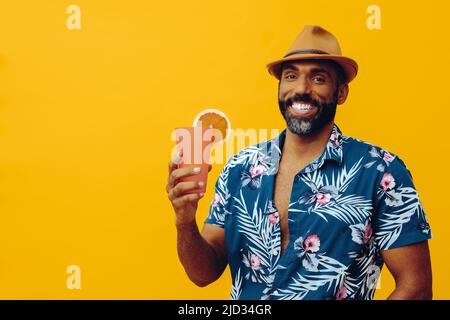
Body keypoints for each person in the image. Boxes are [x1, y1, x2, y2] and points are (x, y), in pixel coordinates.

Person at [166, 25, 432, 300]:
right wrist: (185, 221)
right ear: (280, 87)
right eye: (291, 76)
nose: (301, 89)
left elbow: (416, 287)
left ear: (340, 93)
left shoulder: (380, 171)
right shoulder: (239, 169)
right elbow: (203, 274)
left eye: (318, 79)